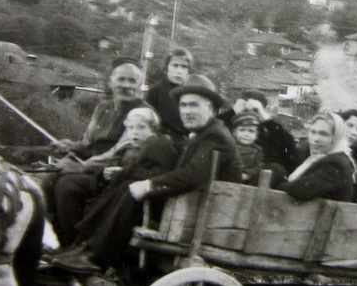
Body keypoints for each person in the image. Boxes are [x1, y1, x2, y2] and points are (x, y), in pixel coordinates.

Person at [51, 75, 240, 273]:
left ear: (210, 108)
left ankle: (96, 256)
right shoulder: (203, 134)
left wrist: (149, 185)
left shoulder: (215, 136)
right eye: (183, 105)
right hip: (188, 206)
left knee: (132, 189)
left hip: (202, 215)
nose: (187, 111)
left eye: (194, 105)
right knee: (127, 184)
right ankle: (83, 246)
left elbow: (192, 175)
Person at [49, 107, 178, 272]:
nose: (135, 132)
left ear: (153, 129)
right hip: (117, 188)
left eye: (141, 127)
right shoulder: (128, 146)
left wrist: (121, 173)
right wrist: (106, 173)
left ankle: (88, 251)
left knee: (100, 192)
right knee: (69, 184)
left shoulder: (158, 144)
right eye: (131, 128)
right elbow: (112, 164)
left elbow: (160, 174)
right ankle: (75, 245)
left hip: (141, 200)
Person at [50, 60, 146, 247]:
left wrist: (81, 167)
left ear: (139, 84)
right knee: (49, 180)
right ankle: (58, 240)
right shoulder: (103, 108)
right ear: (111, 82)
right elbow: (87, 142)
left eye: (132, 81)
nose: (126, 85)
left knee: (67, 185)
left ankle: (76, 245)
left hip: (115, 172)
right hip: (92, 167)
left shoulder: (141, 113)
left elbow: (120, 151)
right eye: (121, 79)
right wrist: (70, 146)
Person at [275, 111, 355, 201]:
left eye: (323, 134)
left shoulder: (336, 163)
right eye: (313, 132)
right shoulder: (322, 157)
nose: (316, 139)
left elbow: (300, 190)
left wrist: (275, 184)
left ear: (336, 137)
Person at [225, 90, 299, 181]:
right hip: (230, 173)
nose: (250, 114)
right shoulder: (232, 126)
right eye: (245, 110)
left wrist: (266, 119)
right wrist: (232, 112)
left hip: (256, 178)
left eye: (255, 110)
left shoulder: (269, 130)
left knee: (276, 168)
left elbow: (289, 146)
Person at [144, 47, 193, 143]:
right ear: (166, 68)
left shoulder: (191, 92)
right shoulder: (155, 91)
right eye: (175, 65)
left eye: (184, 67)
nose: (179, 71)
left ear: (188, 71)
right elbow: (148, 122)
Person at [231, 112, 264, 184]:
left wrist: (248, 174)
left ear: (256, 135)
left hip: (249, 180)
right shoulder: (230, 146)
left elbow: (258, 167)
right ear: (234, 132)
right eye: (242, 130)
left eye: (251, 131)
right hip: (231, 177)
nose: (246, 134)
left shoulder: (257, 150)